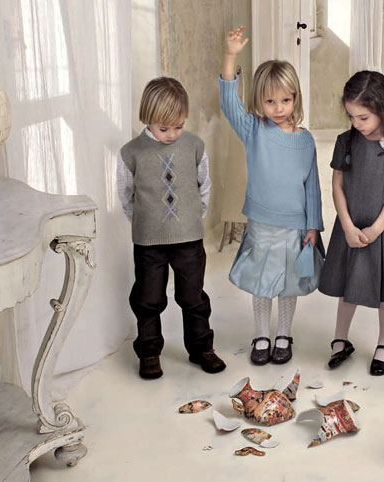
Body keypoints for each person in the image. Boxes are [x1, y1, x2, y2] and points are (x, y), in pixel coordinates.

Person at [218, 26, 323, 365]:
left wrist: (313, 225)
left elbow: (312, 186)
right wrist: (230, 55)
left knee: (289, 283)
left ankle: (284, 334)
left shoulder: (305, 140)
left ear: (296, 98)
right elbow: (228, 103)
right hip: (262, 224)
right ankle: (262, 334)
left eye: (285, 100)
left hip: (295, 227)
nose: (278, 108)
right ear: (259, 101)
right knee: (263, 282)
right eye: (270, 101)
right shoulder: (254, 130)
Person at [318, 70, 384, 376]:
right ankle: (340, 339)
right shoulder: (346, 142)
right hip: (351, 225)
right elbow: (337, 185)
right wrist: (347, 225)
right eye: (351, 116)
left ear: (382, 108)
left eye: (363, 117)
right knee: (348, 285)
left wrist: (376, 228)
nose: (356, 123)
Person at [117, 77, 226, 379]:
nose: (172, 134)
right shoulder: (131, 152)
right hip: (148, 242)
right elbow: (126, 195)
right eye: (163, 128)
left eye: (178, 126)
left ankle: (201, 348)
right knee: (148, 299)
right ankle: (149, 352)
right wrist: (144, 223)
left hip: (189, 239)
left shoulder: (194, 146)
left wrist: (193, 218)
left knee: (194, 297)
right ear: (147, 118)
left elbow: (204, 185)